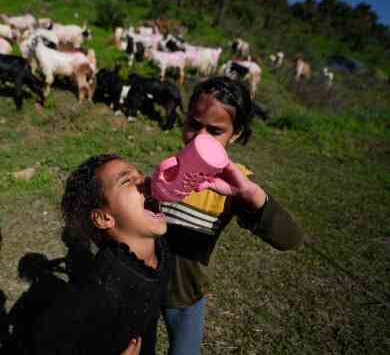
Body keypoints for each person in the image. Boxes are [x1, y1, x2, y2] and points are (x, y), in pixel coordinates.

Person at [161, 76, 304, 355]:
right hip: (145, 283)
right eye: (193, 125)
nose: (199, 138)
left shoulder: (235, 185)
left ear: (235, 134)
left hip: (187, 295)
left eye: (214, 131)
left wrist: (252, 196)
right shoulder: (169, 167)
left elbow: (291, 239)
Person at [32, 154, 170, 355]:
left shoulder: (162, 249)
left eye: (141, 174)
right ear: (104, 217)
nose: (146, 180)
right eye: (127, 181)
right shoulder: (100, 288)